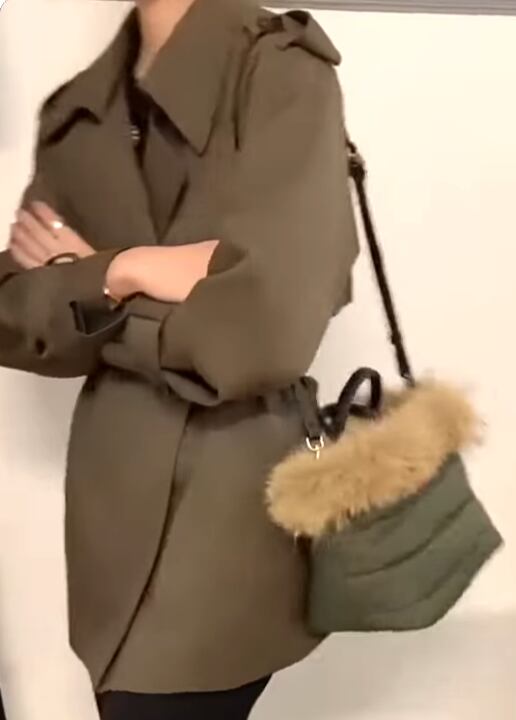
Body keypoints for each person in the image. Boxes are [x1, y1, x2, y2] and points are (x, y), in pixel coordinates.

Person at [0, 0, 358, 717]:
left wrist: (93, 279)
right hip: (108, 519)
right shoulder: (78, 113)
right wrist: (133, 269)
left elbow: (265, 327)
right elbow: (14, 312)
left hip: (228, 512)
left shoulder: (279, 72)